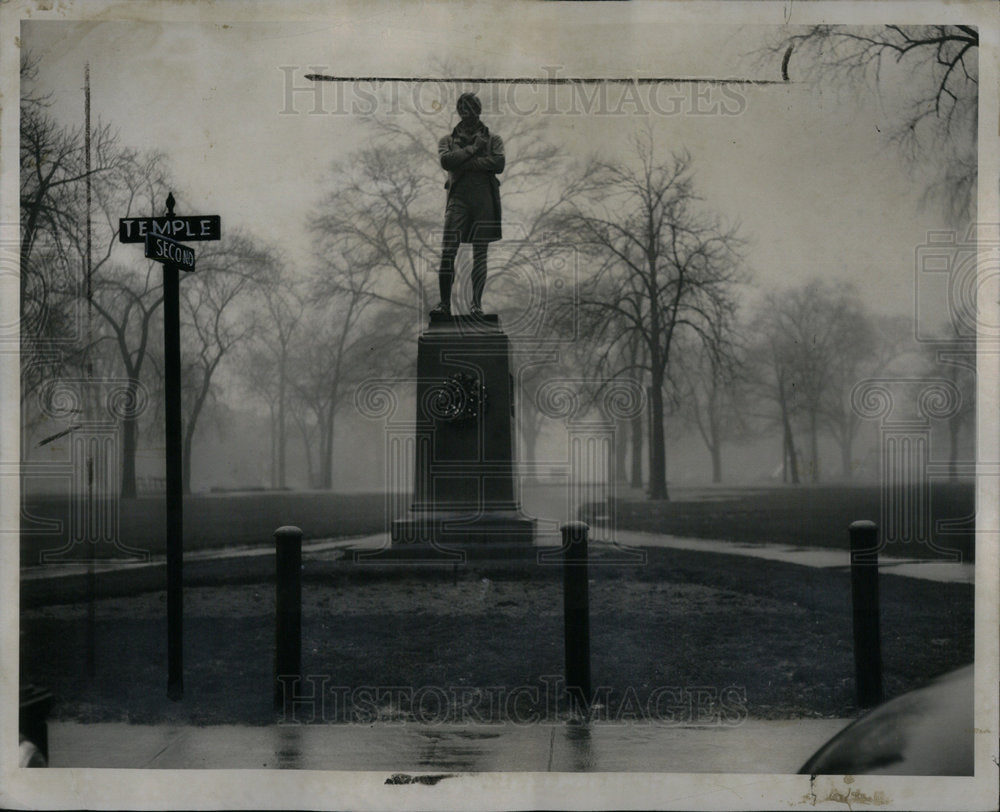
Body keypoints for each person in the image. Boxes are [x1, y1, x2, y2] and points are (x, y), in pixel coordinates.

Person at [431, 92, 505, 317]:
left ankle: (476, 304)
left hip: (484, 201)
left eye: (471, 107)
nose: (467, 112)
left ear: (478, 110)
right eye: (462, 108)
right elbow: (446, 161)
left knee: (480, 254)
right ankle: (445, 305)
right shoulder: (447, 140)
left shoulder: (493, 139)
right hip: (458, 200)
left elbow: (499, 163)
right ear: (458, 111)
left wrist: (463, 162)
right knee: (447, 252)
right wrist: (473, 150)